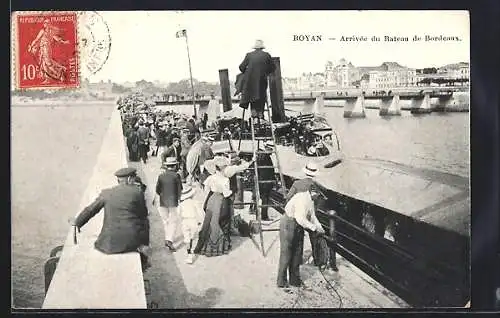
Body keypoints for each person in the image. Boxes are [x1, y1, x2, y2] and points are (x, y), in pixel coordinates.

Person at [71, 167, 151, 272]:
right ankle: (144, 257)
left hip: (108, 243)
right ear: (129, 179)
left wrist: (77, 222)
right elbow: (143, 215)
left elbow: (91, 210)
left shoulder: (107, 193)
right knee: (145, 221)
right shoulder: (137, 192)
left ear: (119, 180)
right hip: (132, 242)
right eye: (133, 178)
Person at [277, 181, 325, 288]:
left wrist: (319, 227)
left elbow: (312, 216)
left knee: (297, 253)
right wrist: (313, 228)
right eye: (318, 196)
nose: (319, 199)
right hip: (289, 223)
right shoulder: (302, 199)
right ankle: (281, 282)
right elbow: (300, 218)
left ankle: (294, 280)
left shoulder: (311, 200)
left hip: (298, 226)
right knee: (287, 253)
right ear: (313, 193)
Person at [193, 156, 233, 256]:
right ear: (223, 168)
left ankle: (202, 244)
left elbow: (206, 189)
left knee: (208, 221)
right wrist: (231, 191)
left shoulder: (211, 177)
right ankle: (217, 246)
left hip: (211, 200)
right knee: (218, 222)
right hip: (220, 200)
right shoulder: (225, 180)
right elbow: (226, 194)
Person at [238, 39, 276, 121]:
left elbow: (241, 67)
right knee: (261, 96)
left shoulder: (249, 55)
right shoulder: (267, 55)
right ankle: (260, 114)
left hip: (250, 81)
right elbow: (273, 68)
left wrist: (248, 72)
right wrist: (265, 72)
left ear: (255, 48)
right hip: (262, 79)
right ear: (262, 48)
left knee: (252, 95)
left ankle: (254, 113)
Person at [154, 157, 183, 252]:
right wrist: (179, 199)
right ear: (174, 166)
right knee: (173, 221)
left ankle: (167, 236)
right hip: (173, 201)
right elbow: (180, 190)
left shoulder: (161, 176)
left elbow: (157, 190)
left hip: (163, 201)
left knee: (166, 220)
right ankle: (169, 240)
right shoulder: (176, 176)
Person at [179, 186, 205, 264]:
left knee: (187, 238)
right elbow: (200, 212)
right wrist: (201, 221)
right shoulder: (195, 202)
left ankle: (189, 255)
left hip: (185, 221)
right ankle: (194, 249)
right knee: (193, 237)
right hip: (193, 220)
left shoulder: (181, 204)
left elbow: (178, 213)